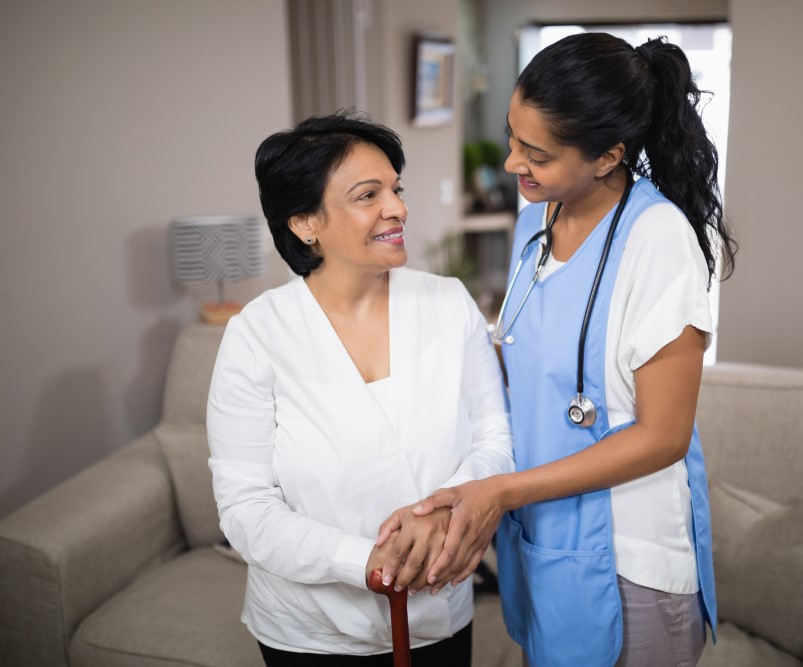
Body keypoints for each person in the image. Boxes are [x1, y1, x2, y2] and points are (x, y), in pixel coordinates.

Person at [377, 33, 737, 666]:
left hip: (631, 554)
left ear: (607, 157)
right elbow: (520, 364)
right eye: (513, 138)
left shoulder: (657, 240)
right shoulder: (536, 220)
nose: (514, 163)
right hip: (542, 534)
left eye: (536, 153)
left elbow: (663, 436)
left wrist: (503, 492)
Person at [206, 111, 514, 666]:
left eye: (395, 189)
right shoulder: (257, 334)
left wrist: (450, 513)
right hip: (307, 632)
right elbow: (245, 508)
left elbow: (494, 435)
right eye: (367, 194)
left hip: (437, 612)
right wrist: (369, 560)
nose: (397, 208)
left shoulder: (447, 304)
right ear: (305, 222)